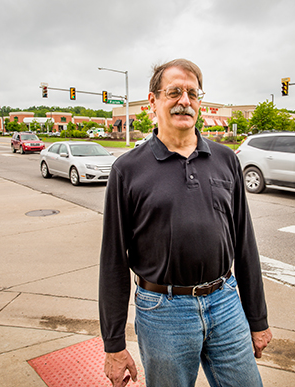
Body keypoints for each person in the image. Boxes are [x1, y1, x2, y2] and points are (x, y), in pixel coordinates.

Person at [99, 58, 272, 387]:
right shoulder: (127, 170)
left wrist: (258, 318)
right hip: (163, 312)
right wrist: (114, 345)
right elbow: (112, 262)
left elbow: (245, 243)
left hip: (225, 301)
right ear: (153, 101)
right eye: (174, 92)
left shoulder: (225, 160)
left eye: (193, 93)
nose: (184, 101)